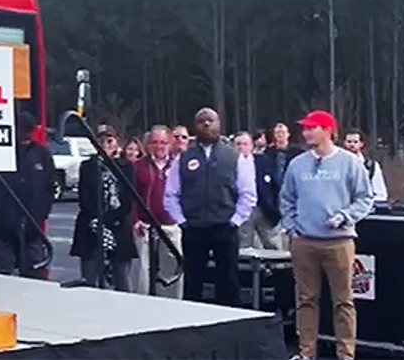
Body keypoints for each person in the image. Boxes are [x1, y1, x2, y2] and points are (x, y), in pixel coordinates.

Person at [280, 110, 374, 360]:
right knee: (305, 299)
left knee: (343, 301)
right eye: (305, 128)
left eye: (312, 128)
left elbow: (365, 198)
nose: (306, 133)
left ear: (328, 130)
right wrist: (292, 228)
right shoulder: (297, 164)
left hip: (339, 242)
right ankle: (306, 353)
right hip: (304, 241)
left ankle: (346, 355)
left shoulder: (350, 162)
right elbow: (286, 198)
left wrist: (345, 216)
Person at [164, 107, 257, 306]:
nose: (206, 124)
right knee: (193, 283)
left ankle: (230, 321)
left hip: (225, 228)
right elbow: (171, 194)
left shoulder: (234, 157)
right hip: (194, 229)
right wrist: (182, 221)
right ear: (195, 126)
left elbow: (247, 193)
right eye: (201, 121)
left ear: (219, 124)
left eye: (211, 120)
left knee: (228, 283)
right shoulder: (183, 158)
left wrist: (235, 221)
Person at [0, 111, 56, 279]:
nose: (25, 133)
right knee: (2, 274)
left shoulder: (42, 154)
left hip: (32, 230)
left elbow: (49, 188)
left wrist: (41, 215)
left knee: (35, 275)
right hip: (1, 229)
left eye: (29, 130)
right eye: (22, 129)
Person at [70, 124, 137, 290]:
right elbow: (84, 198)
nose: (105, 144)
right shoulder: (88, 166)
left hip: (117, 225)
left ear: (117, 142)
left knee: (122, 278)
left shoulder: (125, 167)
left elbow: (128, 200)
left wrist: (111, 218)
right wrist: (98, 219)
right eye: (101, 140)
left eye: (109, 140)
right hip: (92, 225)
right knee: (90, 278)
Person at [130, 124, 183, 298]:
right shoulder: (138, 166)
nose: (159, 146)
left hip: (170, 225)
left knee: (173, 266)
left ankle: (172, 304)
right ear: (148, 144)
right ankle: (140, 302)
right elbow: (131, 196)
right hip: (144, 225)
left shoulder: (178, 166)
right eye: (155, 142)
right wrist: (135, 220)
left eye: (163, 142)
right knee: (140, 269)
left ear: (170, 144)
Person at [252, 122, 303, 251]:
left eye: (283, 132)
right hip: (272, 196)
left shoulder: (297, 153)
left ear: (288, 134)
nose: (280, 135)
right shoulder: (267, 154)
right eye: (277, 133)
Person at [342, 130, 388, 204]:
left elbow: (381, 194)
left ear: (361, 144)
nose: (352, 145)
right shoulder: (337, 165)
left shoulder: (371, 166)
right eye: (349, 142)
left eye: (355, 142)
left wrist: (366, 204)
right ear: (344, 143)